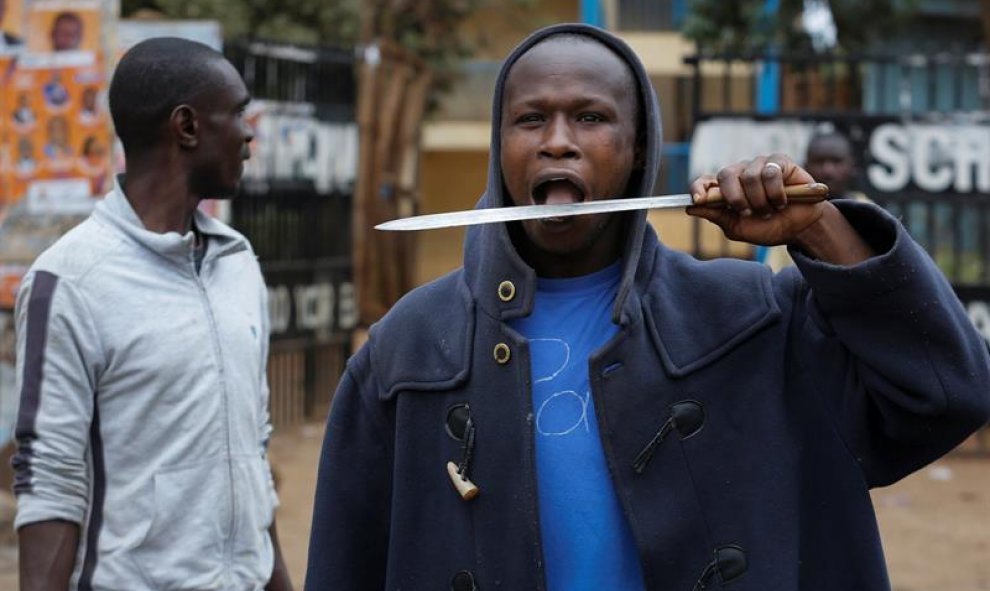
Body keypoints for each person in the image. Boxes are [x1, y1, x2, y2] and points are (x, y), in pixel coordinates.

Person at [304, 23, 990, 591]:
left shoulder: (754, 320)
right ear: (501, 147)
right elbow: (345, 564)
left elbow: (947, 394)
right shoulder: (405, 350)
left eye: (592, 118)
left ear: (637, 153)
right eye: (530, 119)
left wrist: (818, 228)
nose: (558, 140)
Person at [13, 37, 292, 590]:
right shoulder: (70, 281)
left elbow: (251, 457)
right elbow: (51, 481)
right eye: (236, 112)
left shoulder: (238, 264)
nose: (249, 132)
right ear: (187, 126)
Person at [763, 128, 868, 271]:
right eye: (819, 162)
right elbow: (775, 275)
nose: (828, 170)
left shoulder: (869, 214)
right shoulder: (792, 217)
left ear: (853, 167)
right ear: (805, 167)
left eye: (836, 161)